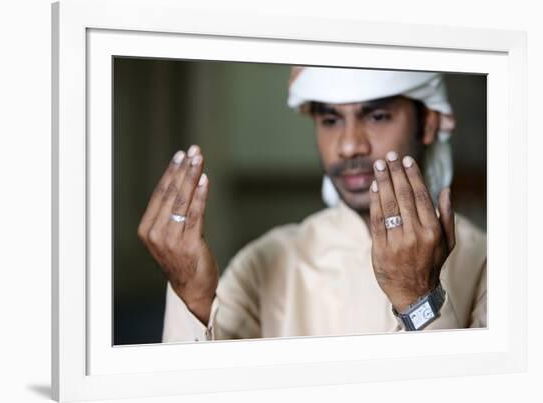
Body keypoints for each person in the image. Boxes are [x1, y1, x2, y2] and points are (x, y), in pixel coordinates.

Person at [137, 66, 487, 342]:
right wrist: (194, 301)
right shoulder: (263, 262)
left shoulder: (491, 263)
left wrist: (420, 298)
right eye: (331, 120)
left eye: (377, 116)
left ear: (428, 123)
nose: (349, 146)